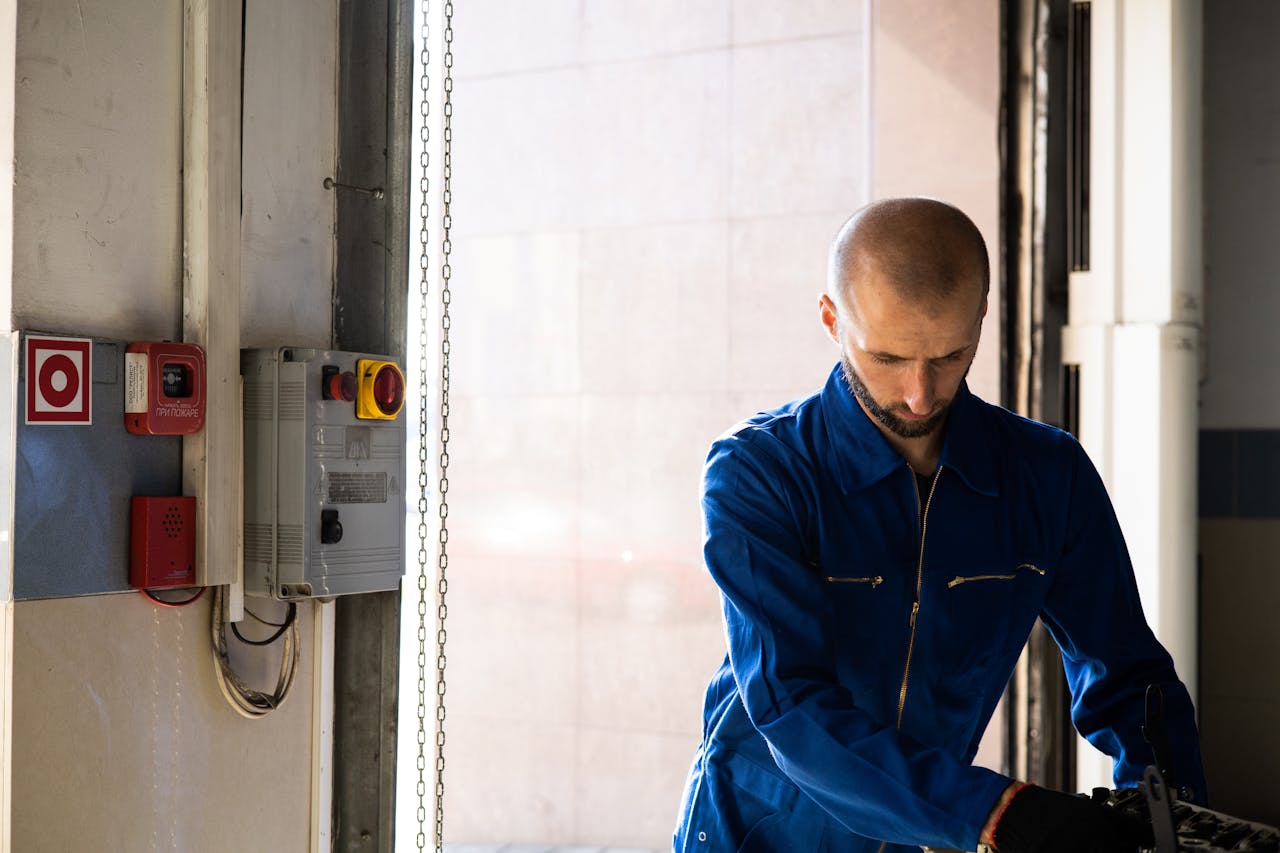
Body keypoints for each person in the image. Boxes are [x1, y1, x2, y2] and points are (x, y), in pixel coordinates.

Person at [672, 197, 1206, 852]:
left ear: (982, 315)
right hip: (753, 835)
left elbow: (1129, 677)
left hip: (927, 837)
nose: (920, 394)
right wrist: (997, 812)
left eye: (950, 356)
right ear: (831, 318)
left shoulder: (1049, 476)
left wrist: (1177, 824)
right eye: (889, 358)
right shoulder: (759, 471)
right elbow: (791, 703)